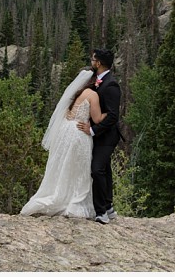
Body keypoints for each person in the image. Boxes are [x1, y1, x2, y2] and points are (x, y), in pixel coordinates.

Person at [20, 67, 109, 218]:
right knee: (78, 169)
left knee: (63, 166)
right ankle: (72, 201)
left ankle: (59, 195)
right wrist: (110, 113)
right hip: (79, 133)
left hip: (66, 130)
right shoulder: (92, 95)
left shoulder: (77, 93)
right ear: (94, 80)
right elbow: (97, 118)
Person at [77, 48, 121, 225]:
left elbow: (112, 116)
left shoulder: (111, 85)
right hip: (97, 135)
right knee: (105, 169)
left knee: (97, 169)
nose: (91, 61)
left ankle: (100, 211)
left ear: (99, 63)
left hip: (107, 136)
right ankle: (109, 207)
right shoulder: (97, 81)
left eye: (93, 59)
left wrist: (93, 130)